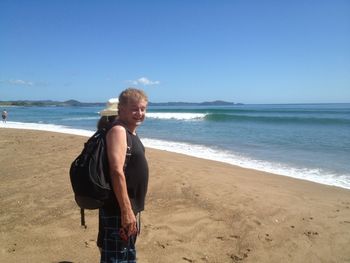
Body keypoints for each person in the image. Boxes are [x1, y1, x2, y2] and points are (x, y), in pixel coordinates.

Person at [98, 88, 149, 263]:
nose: (140, 113)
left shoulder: (130, 132)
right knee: (116, 258)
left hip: (127, 208)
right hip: (118, 209)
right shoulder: (119, 131)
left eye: (143, 109)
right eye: (135, 109)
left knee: (126, 255)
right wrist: (126, 211)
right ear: (121, 110)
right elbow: (116, 171)